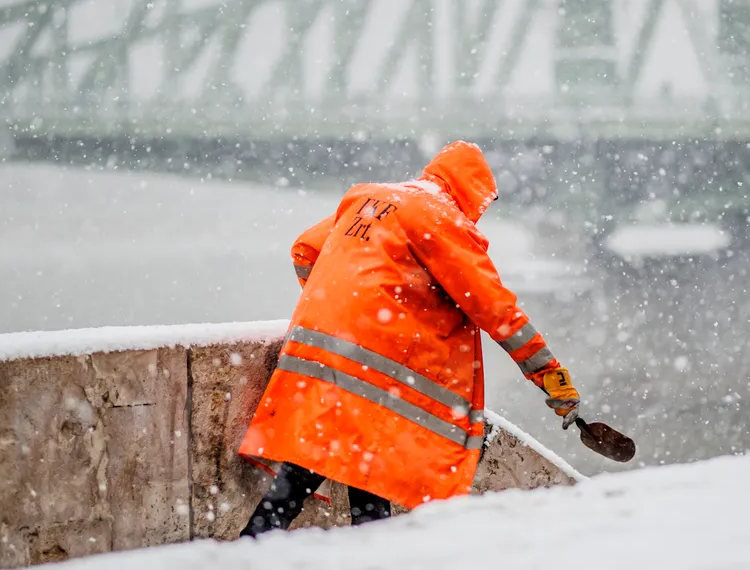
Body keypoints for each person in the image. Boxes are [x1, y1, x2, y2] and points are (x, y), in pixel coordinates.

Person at [238, 140, 580, 537]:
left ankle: (258, 543)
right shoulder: (441, 218)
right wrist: (548, 373)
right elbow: (495, 309)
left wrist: (342, 308)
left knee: (336, 460)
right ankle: (270, 543)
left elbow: (304, 250)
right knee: (359, 464)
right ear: (471, 192)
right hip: (374, 367)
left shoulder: (368, 197)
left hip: (324, 353)